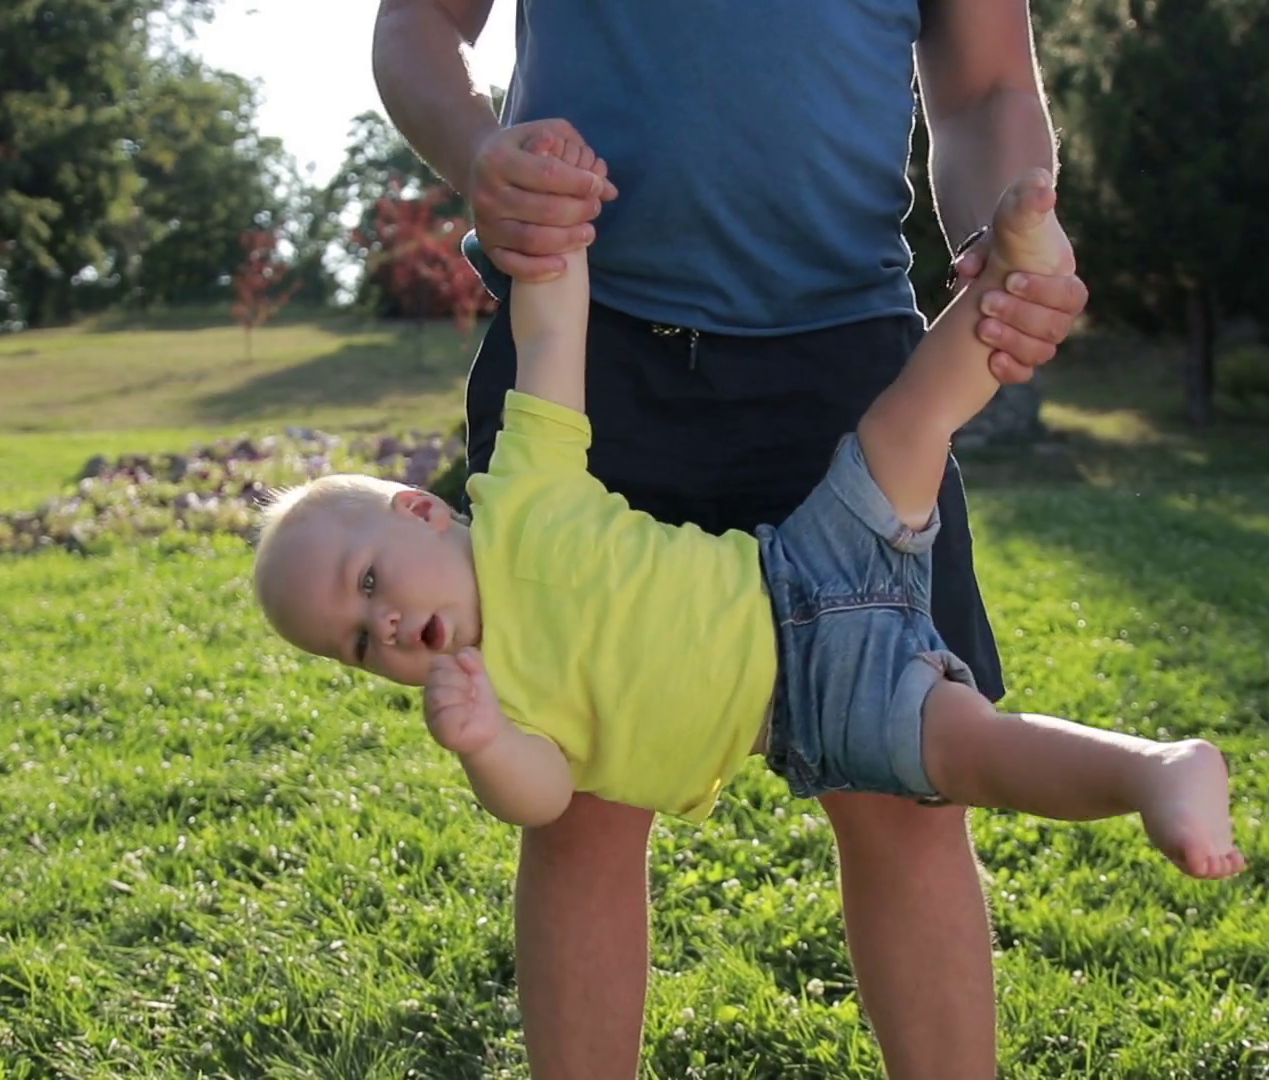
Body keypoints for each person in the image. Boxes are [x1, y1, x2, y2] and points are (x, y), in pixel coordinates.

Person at [370, 2, 1094, 1075]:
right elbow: (420, 21)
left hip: (847, 366)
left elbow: (987, 88)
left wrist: (1016, 245)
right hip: (579, 351)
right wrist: (479, 150)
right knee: (582, 801)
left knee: (907, 789)